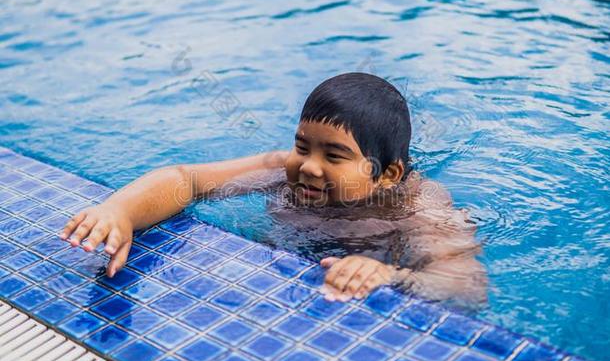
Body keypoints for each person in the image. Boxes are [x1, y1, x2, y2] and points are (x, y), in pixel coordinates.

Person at [60, 72, 487, 304]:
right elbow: (186, 181)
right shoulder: (283, 168)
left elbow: (465, 286)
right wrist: (120, 211)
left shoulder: (417, 207)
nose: (310, 167)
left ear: (387, 174)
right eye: (303, 146)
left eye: (334, 156)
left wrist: (391, 274)